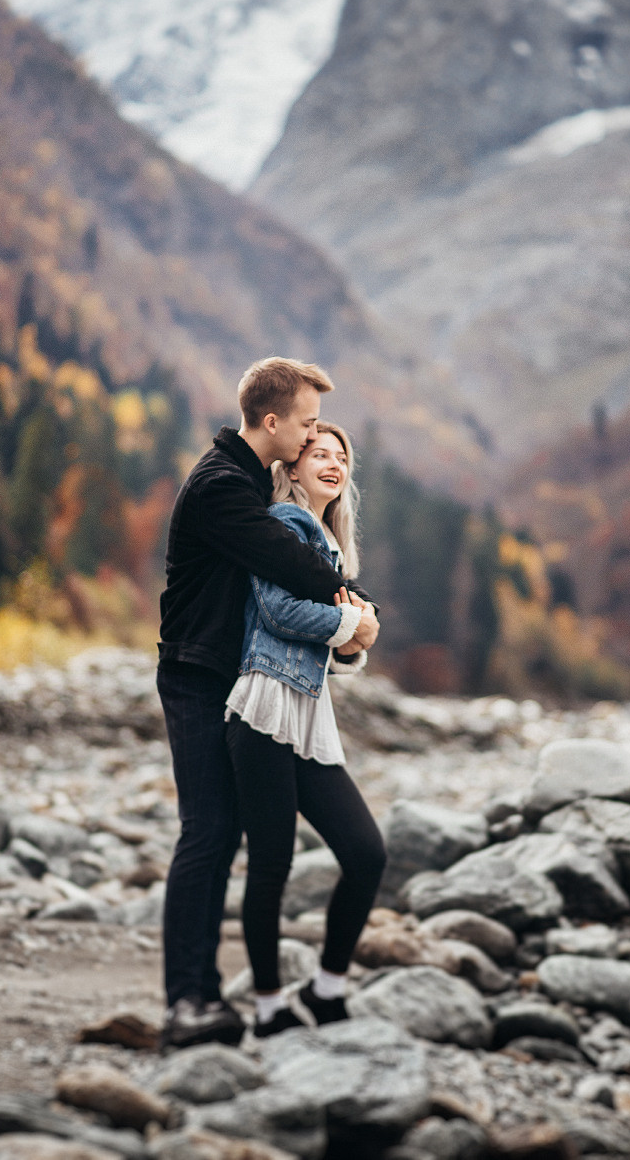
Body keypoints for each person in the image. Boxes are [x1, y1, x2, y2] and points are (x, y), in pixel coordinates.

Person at [157, 358, 379, 1050]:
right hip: (198, 674)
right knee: (207, 834)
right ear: (274, 421)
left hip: (231, 676)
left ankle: (209, 994)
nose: (316, 436)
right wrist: (355, 609)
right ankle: (188, 1001)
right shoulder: (223, 486)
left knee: (224, 836)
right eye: (309, 425)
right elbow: (284, 565)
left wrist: (350, 621)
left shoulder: (250, 479)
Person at [225, 421, 387, 1036]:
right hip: (265, 708)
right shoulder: (287, 524)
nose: (334, 463)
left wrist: (353, 640)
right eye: (319, 453)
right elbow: (276, 610)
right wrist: (352, 627)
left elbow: (333, 643)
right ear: (292, 468)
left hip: (307, 714)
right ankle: (270, 1009)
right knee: (272, 865)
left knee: (366, 853)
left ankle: (326, 990)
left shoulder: (329, 545)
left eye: (342, 457)